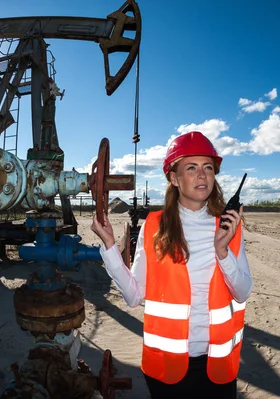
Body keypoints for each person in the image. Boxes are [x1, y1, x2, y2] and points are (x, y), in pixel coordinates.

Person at [91, 131, 253, 398]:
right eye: (192, 167)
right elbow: (134, 296)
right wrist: (110, 246)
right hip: (167, 369)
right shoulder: (155, 226)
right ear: (174, 178)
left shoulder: (229, 226)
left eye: (208, 168)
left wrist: (222, 251)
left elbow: (243, 291)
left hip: (218, 366)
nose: (202, 175)